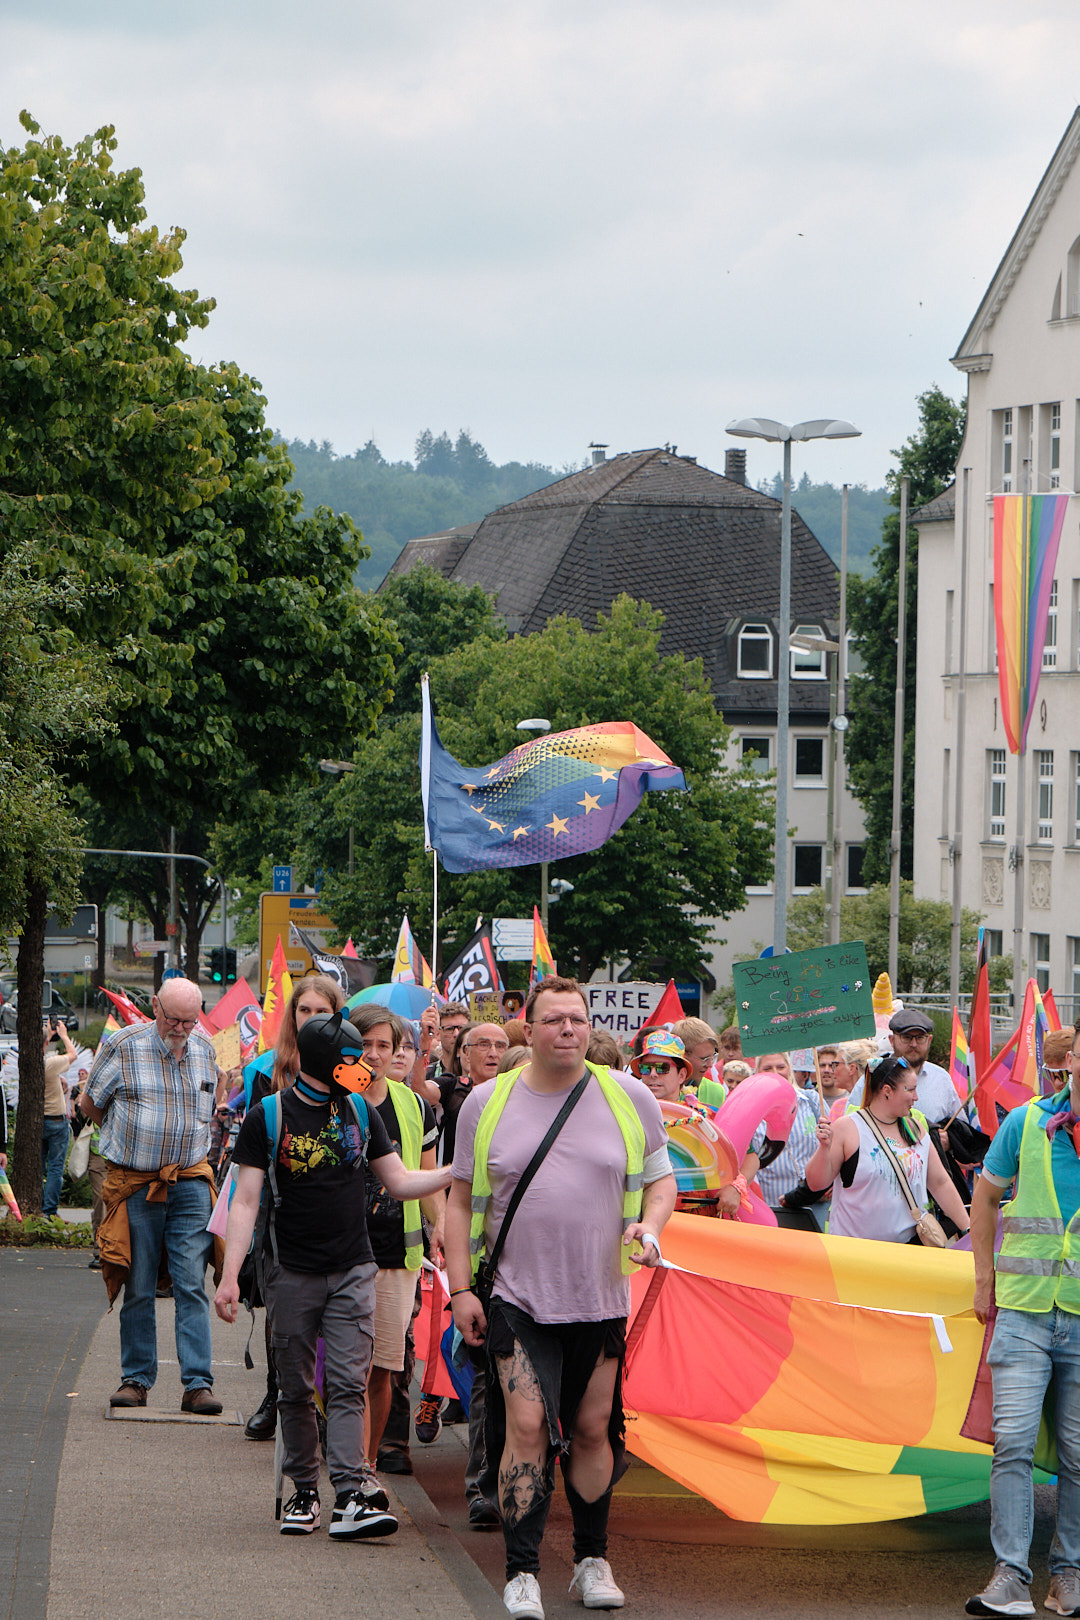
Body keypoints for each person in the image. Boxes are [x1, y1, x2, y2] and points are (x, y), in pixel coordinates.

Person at [444, 976, 676, 1620]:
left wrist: (650, 1227)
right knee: (525, 1427)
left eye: (577, 1018)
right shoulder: (485, 1103)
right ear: (530, 1028)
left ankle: (590, 1560)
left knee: (594, 1428)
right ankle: (521, 1572)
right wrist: (460, 1289)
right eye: (553, 1020)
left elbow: (662, 1183)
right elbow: (458, 1203)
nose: (567, 1029)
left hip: (600, 1298)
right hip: (516, 1297)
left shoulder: (629, 1095)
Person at [215, 1009, 452, 1539]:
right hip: (291, 1271)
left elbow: (399, 1181)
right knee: (296, 1389)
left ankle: (349, 1493)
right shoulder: (268, 1116)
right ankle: (304, 1490)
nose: (364, 1067)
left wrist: (455, 1171)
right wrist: (230, 1277)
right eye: (351, 1058)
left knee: (348, 1382)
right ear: (324, 1061)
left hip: (353, 1269)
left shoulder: (361, 1111)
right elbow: (245, 1200)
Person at [965, 1025, 1080, 1619]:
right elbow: (985, 1198)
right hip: (1024, 1311)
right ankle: (1010, 1575)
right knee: (1010, 1443)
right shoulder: (1027, 1122)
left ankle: (1069, 1576)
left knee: (1079, 1456)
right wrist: (983, 1278)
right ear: (1071, 1060)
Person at [79, 977, 223, 1414]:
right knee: (139, 1283)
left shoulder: (205, 1048)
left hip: (190, 1181)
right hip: (136, 1183)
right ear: (155, 1006)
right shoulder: (123, 1046)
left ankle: (198, 1385)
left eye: (189, 1021)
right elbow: (90, 1105)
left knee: (191, 1284)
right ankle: (136, 1380)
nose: (181, 1029)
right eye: (173, 1019)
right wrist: (128, 1139)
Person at [241, 975, 344, 1441]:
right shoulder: (268, 1071)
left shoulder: (350, 1067)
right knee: (280, 1309)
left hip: (334, 1205)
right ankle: (276, 1392)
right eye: (305, 1010)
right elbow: (253, 1147)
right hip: (279, 1206)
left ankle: (324, 1405)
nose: (313, 1018)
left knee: (331, 1318)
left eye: (323, 1011)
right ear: (293, 1016)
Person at [351, 1004, 443, 1509]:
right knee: (345, 1370)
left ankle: (365, 1467)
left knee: (382, 1369)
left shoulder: (414, 1106)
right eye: (364, 1044)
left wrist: (443, 1226)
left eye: (383, 1045)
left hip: (395, 1257)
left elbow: (426, 1179)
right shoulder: (331, 1099)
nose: (374, 1054)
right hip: (338, 1256)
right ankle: (348, 1466)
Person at [804, 1054, 970, 1244]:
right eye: (910, 1090)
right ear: (887, 1091)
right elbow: (816, 1184)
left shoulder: (915, 1129)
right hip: (855, 1251)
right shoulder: (848, 1128)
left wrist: (968, 1229)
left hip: (906, 1250)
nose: (916, 1097)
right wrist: (823, 1149)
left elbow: (940, 1183)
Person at [742, 1052, 825, 1231]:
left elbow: (830, 1145)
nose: (775, 1072)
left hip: (814, 1205)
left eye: (781, 1067)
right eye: (767, 1068)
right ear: (757, 1072)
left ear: (789, 1068)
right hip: (772, 1209)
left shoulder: (811, 1101)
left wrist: (827, 1184)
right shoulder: (749, 1110)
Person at [847, 1009, 957, 1127]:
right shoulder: (871, 1079)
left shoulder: (942, 1079)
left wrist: (947, 1136)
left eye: (920, 1038)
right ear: (891, 1040)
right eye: (907, 1037)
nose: (914, 1044)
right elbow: (850, 1125)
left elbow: (959, 1126)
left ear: (929, 1040)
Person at [41, 1020, 77, 1216]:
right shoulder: (50, 1063)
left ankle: (36, 1205)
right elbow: (73, 1055)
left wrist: (47, 1034)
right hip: (56, 1120)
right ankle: (49, 1210)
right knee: (55, 1167)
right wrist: (63, 1035)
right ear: (46, 1043)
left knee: (38, 1166)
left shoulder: (29, 1064)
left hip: (38, 1121)